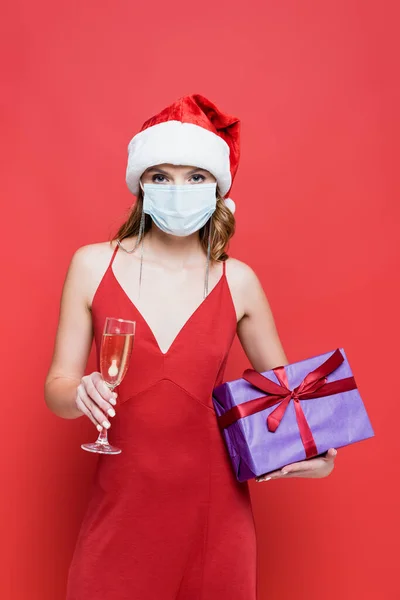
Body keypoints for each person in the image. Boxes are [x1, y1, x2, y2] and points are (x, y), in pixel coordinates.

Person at [44, 94, 337, 600]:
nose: (177, 190)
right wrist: (80, 393)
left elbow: (291, 404)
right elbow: (57, 388)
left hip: (214, 518)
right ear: (140, 186)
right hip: (119, 512)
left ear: (218, 188)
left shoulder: (238, 280)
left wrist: (320, 451)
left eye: (195, 177)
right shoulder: (92, 265)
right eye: (161, 176)